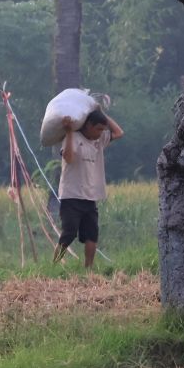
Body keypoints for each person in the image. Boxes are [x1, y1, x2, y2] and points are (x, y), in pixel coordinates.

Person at [53, 109, 123, 268]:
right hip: (71, 196)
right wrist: (69, 132)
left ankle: (88, 270)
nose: (100, 133)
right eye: (98, 128)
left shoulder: (100, 140)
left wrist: (101, 111)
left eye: (102, 130)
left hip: (90, 196)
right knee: (68, 233)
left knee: (92, 235)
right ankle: (54, 266)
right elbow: (69, 158)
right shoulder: (74, 138)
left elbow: (119, 132)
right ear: (88, 125)